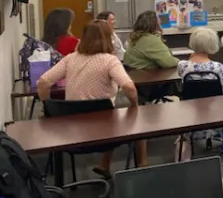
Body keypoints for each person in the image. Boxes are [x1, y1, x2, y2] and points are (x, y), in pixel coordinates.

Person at [37, 20, 146, 175]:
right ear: (108, 39)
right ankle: (143, 166)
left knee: (112, 117)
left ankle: (104, 166)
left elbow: (43, 82)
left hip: (72, 134)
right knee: (135, 123)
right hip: (106, 135)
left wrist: (46, 107)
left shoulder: (70, 59)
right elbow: (129, 87)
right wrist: (134, 106)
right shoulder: (110, 61)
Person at [178, 28, 223, 154]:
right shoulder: (217, 67)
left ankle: (186, 140)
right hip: (214, 107)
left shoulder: (182, 65)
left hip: (190, 107)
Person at [123, 10, 179, 103]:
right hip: (149, 83)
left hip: (137, 80)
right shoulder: (150, 39)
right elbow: (168, 62)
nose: (160, 21)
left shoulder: (135, 38)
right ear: (154, 24)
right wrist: (179, 61)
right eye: (158, 19)